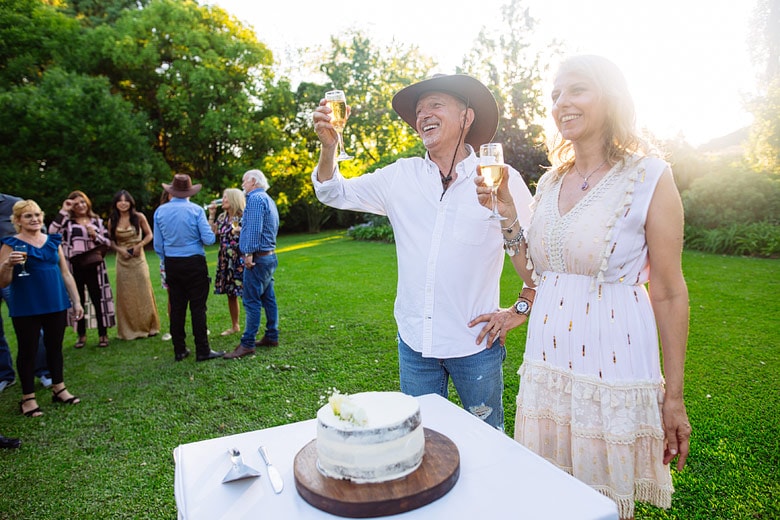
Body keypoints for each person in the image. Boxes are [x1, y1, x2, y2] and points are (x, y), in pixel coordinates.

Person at [470, 55, 691, 518]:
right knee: (549, 496)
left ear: (610, 98)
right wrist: (507, 209)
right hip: (547, 364)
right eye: (555, 95)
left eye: (577, 90)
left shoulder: (649, 176)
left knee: (601, 504)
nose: (561, 103)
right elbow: (536, 277)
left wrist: (674, 396)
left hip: (610, 369)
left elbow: (669, 292)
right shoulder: (550, 182)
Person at [310, 74, 534, 430]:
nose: (423, 115)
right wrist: (329, 148)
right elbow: (332, 191)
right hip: (414, 346)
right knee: (423, 442)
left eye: (435, 105)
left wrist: (519, 309)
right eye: (418, 110)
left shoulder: (501, 180)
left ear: (466, 117)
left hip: (474, 348)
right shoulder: (401, 177)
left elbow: (542, 258)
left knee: (489, 440)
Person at [0, 200, 84, 417]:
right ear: (17, 220)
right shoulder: (10, 244)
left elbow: (65, 273)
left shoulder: (52, 241)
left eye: (37, 215)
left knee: (54, 347)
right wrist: (7, 264)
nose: (35, 219)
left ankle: (59, 388)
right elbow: (3, 282)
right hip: (27, 305)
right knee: (28, 350)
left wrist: (76, 301)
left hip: (55, 301)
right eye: (28, 216)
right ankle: (28, 398)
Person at [153, 174, 223, 362]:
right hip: (194, 262)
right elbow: (209, 239)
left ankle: (180, 349)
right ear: (189, 192)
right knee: (198, 308)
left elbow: (158, 245)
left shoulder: (160, 212)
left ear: (172, 191)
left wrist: (169, 257)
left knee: (176, 308)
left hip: (172, 263)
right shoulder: (196, 210)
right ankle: (203, 350)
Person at [223, 170, 280, 359]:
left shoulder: (255, 199)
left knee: (251, 301)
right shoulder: (267, 199)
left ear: (253, 181)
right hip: (269, 256)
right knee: (268, 298)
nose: (242, 185)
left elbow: (255, 230)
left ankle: (247, 343)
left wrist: (248, 253)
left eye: (244, 181)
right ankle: (272, 335)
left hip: (257, 258)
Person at [49, 190, 115, 348]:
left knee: (97, 299)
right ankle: (81, 335)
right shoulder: (68, 222)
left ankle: (103, 334)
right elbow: (52, 232)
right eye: (76, 203)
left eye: (82, 202)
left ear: (88, 203)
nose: (80, 206)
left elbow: (108, 242)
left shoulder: (96, 220)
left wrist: (96, 235)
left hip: (94, 266)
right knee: (78, 300)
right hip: (75, 266)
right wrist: (64, 210)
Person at [0, 193, 51, 391]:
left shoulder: (13, 203)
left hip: (13, 274)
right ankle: (4, 374)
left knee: (30, 322)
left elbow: (40, 232)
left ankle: (44, 370)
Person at [107, 190, 161, 340]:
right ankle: (130, 329)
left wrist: (140, 245)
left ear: (131, 202)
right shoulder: (113, 220)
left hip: (138, 258)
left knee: (143, 290)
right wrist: (119, 250)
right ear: (116, 204)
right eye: (120, 201)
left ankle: (150, 326)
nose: (123, 203)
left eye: (126, 200)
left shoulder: (139, 217)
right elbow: (110, 241)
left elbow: (150, 234)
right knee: (126, 294)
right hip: (122, 259)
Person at [207, 188, 246, 337]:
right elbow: (211, 234)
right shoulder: (222, 217)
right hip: (225, 259)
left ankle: (250, 325)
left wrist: (237, 230)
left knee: (245, 293)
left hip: (239, 258)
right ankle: (235, 325)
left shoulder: (241, 216)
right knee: (231, 293)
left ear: (234, 199)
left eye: (225, 198)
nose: (222, 200)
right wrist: (211, 215)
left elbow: (240, 232)